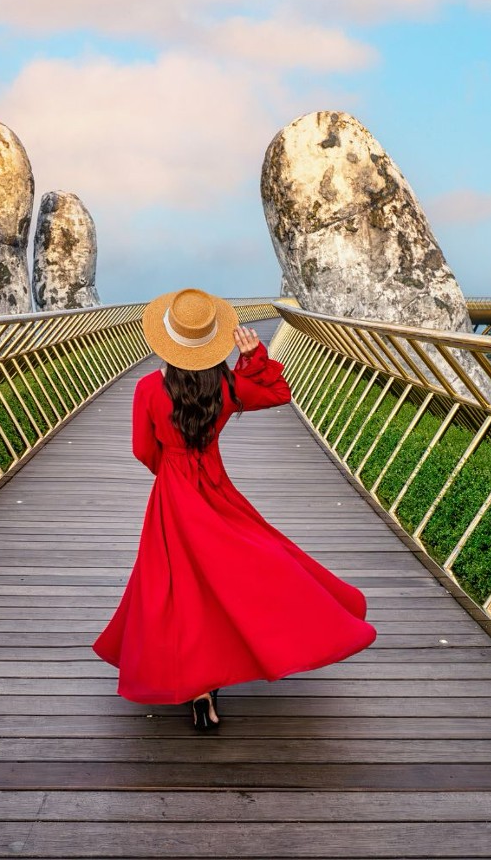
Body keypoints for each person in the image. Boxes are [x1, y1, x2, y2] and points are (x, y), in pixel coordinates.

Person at [92, 288, 377, 730]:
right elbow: (279, 393)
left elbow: (141, 449)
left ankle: (198, 685)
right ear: (210, 341)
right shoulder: (226, 386)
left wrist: (170, 469)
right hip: (216, 487)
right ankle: (227, 664)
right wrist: (254, 356)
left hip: (173, 491)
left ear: (167, 339)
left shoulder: (148, 388)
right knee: (244, 566)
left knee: (174, 584)